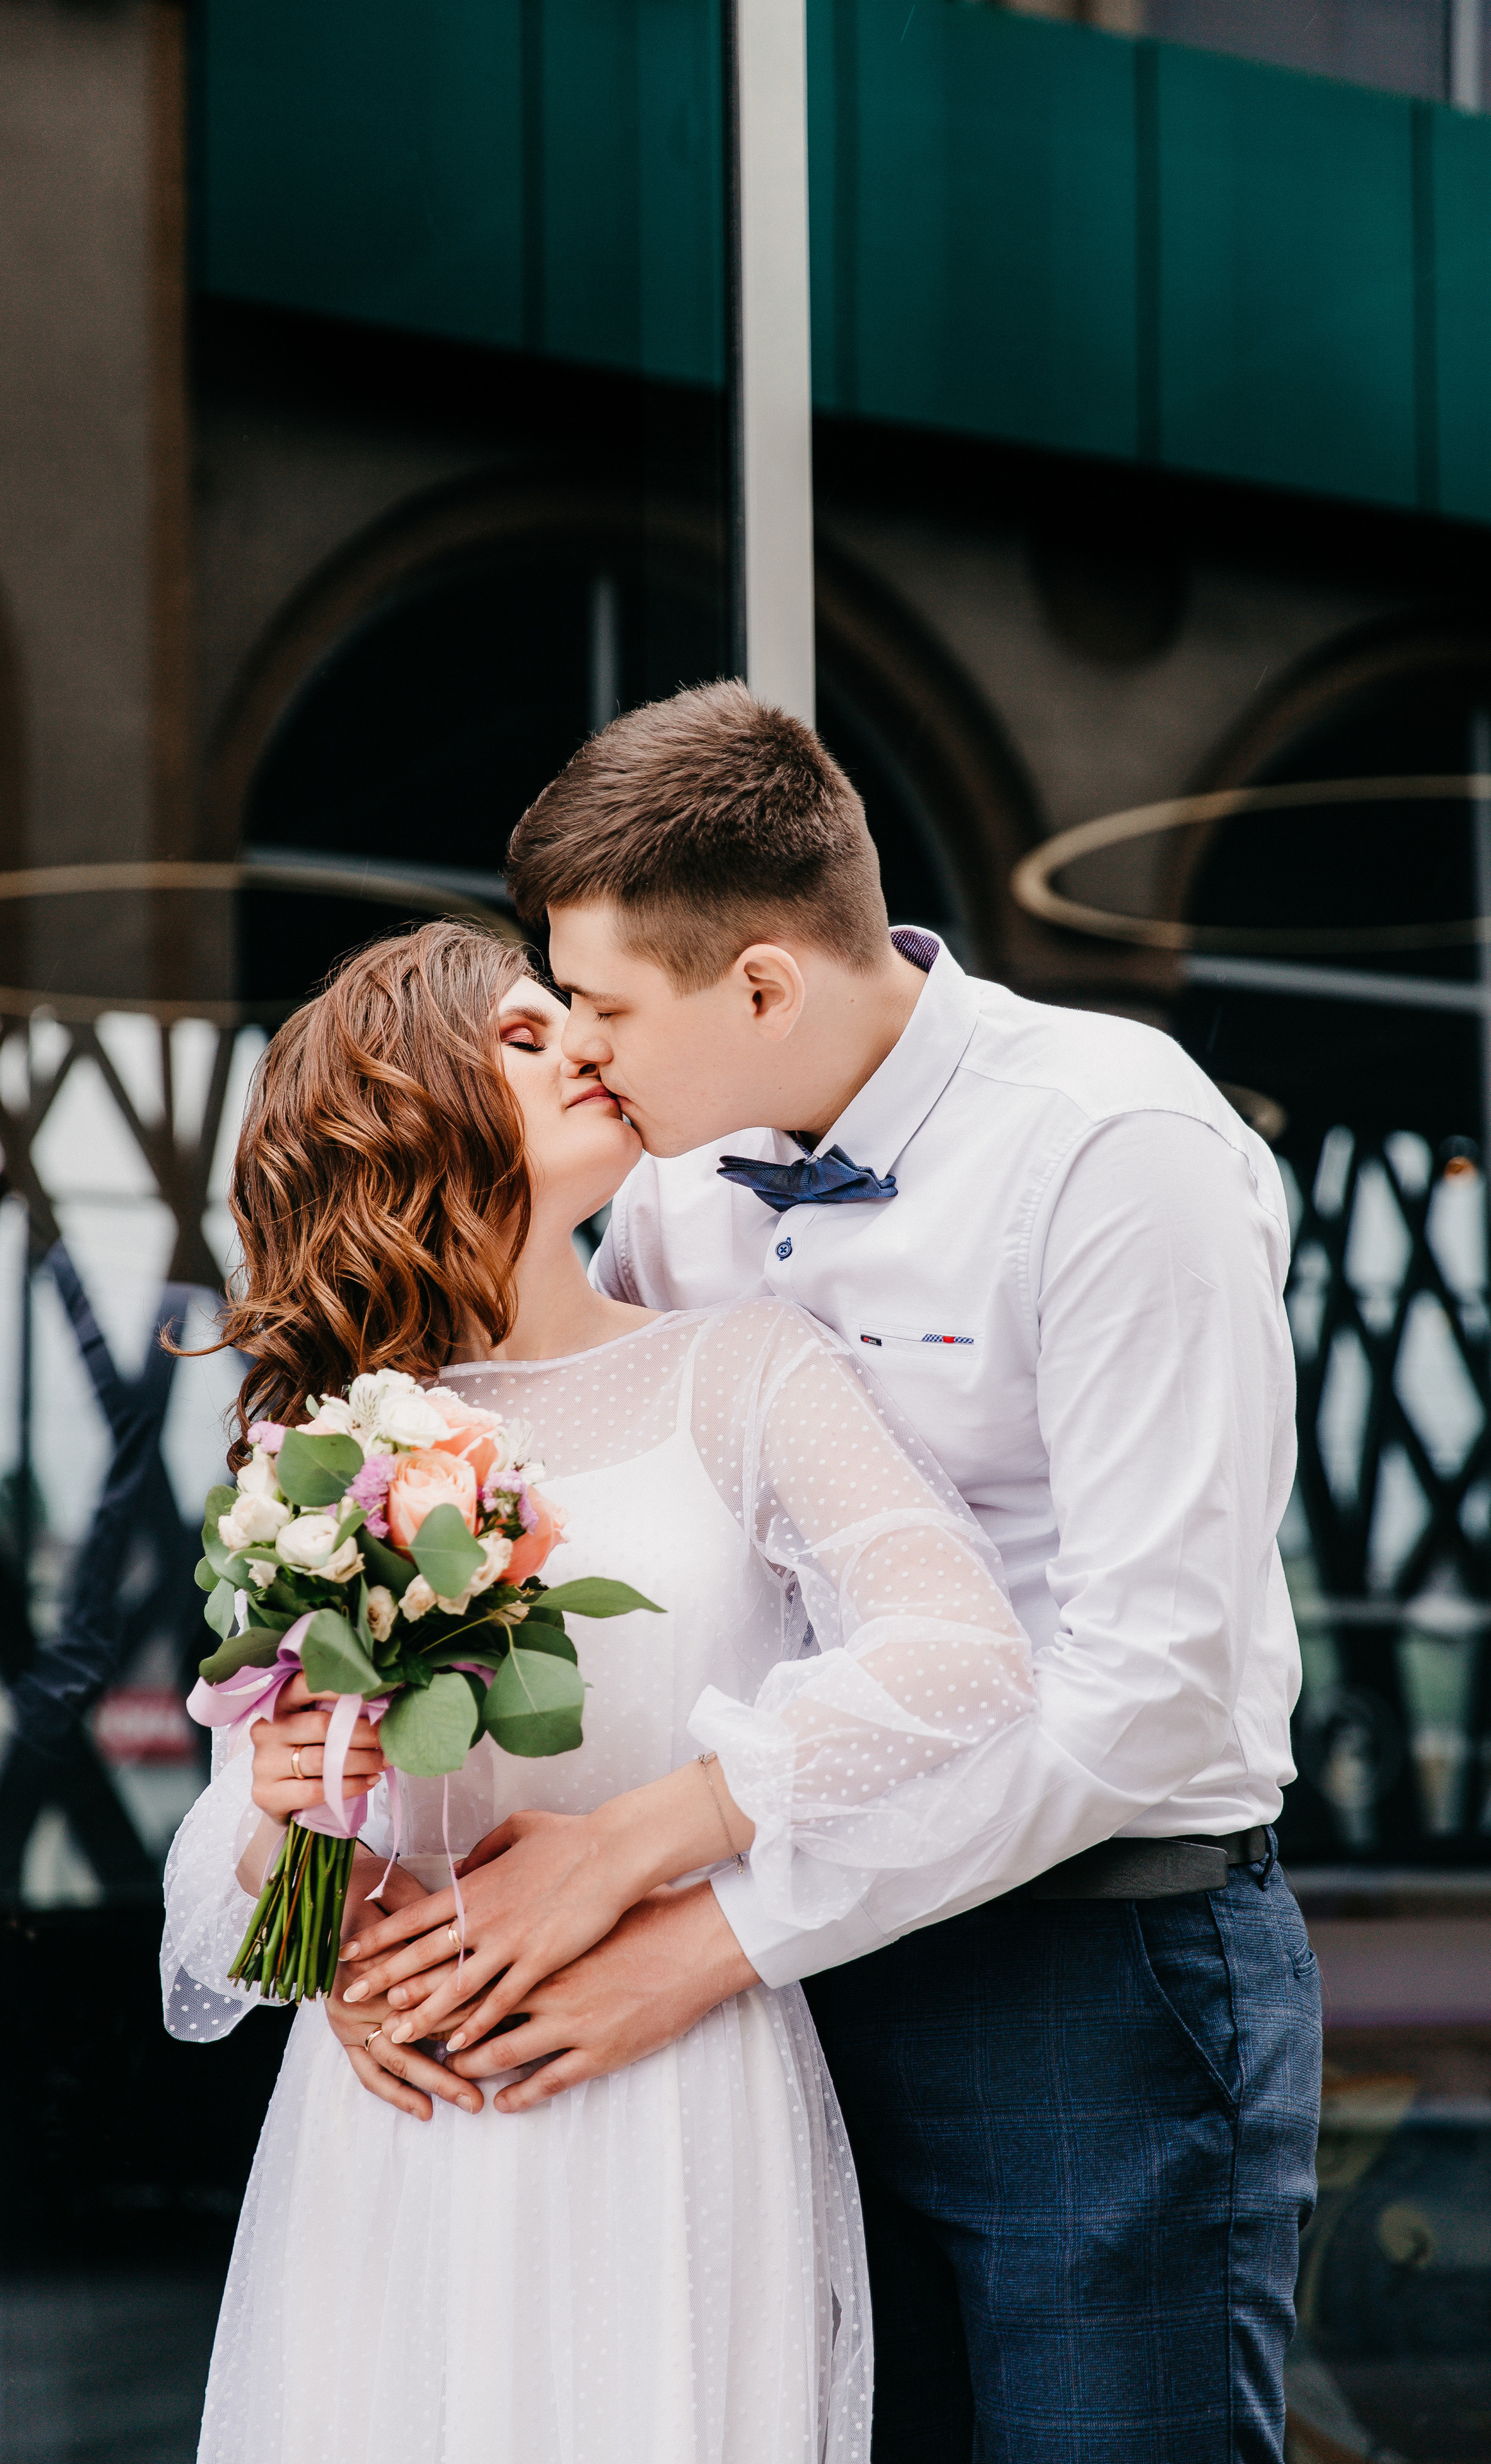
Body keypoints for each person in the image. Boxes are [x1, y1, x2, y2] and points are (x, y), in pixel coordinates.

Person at [340, 686, 1322, 2463]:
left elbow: (1148, 1683)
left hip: (1093, 1975)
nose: (583, 1054)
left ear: (767, 986)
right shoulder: (669, 1189)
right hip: (792, 2002)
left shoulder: (1117, 1147)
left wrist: (690, 1912)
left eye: (611, 1011)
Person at [160, 920, 1037, 2464]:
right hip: (400, 2112)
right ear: (405, 1102)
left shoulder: (745, 1372)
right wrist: (302, 1856)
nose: (583, 1043)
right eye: (519, 1033)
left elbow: (963, 1660)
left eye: (573, 1015)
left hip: (667, 2081)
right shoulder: (307, 1451)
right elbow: (234, 1879)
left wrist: (655, 1835)